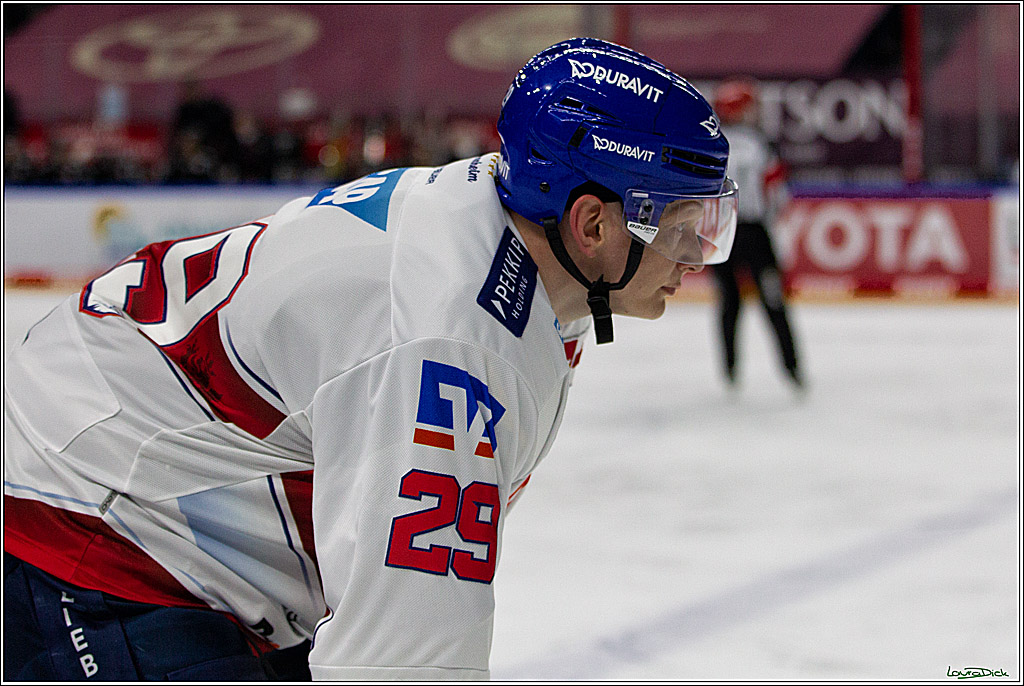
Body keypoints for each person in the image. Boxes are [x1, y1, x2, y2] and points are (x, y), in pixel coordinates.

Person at [3, 38, 737, 680]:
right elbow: (401, 662)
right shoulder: (450, 343)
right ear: (592, 222)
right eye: (680, 224)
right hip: (88, 513)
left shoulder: (508, 238)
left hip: (128, 466)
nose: (699, 254)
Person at [709, 77, 804, 390]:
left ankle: (729, 372)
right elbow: (777, 195)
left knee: (728, 302)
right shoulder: (762, 145)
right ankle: (792, 370)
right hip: (753, 232)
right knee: (773, 301)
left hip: (720, 231)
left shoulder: (710, 144)